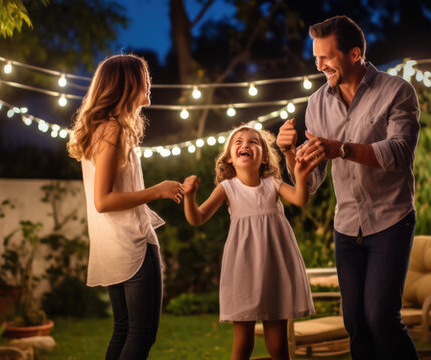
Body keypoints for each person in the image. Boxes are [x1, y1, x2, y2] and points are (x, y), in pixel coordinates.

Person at [276, 15, 421, 359]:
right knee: (355, 322)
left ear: (354, 54)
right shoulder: (316, 104)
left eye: (327, 57)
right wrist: (288, 153)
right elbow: (310, 181)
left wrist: (341, 148)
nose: (319, 65)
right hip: (346, 226)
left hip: (390, 220)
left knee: (381, 317)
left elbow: (400, 153)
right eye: (316, 57)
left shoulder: (396, 91)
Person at [67, 54, 184, 360]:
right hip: (129, 243)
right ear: (127, 83)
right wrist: (157, 191)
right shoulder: (110, 129)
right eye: (144, 77)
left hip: (114, 242)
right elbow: (103, 200)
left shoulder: (107, 128)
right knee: (141, 334)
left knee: (124, 329)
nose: (149, 83)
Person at [181, 126, 320, 360]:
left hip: (274, 265)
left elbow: (300, 198)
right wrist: (189, 196)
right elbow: (197, 218)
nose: (245, 145)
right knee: (243, 342)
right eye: (238, 142)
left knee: (277, 344)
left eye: (253, 142)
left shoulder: (273, 183)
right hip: (243, 268)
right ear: (229, 158)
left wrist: (302, 175)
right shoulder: (227, 188)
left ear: (265, 156)